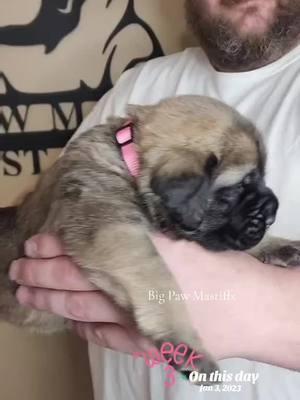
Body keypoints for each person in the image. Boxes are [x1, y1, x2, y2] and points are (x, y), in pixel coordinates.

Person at [8, 0, 300, 398]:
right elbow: (110, 240)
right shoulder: (136, 91)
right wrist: (177, 336)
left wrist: (272, 308)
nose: (263, 209)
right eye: (235, 191)